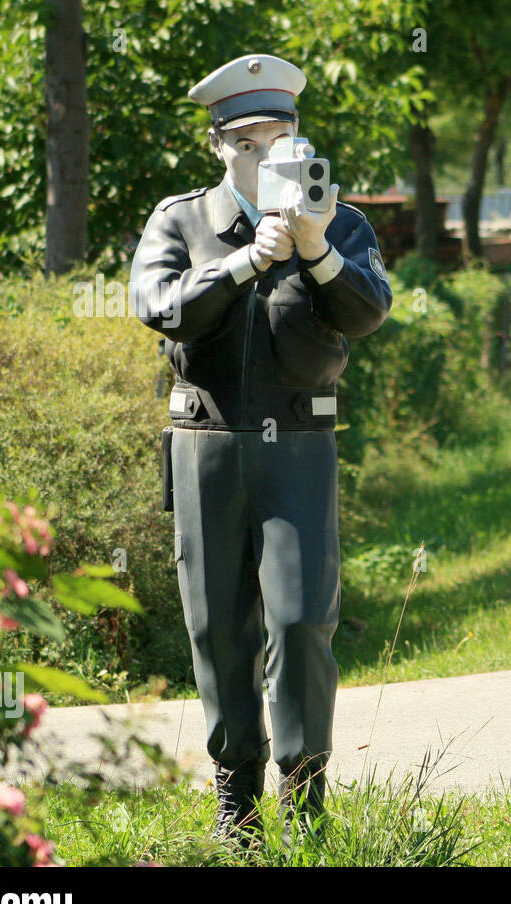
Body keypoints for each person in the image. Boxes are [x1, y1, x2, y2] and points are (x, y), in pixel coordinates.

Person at [128, 53, 392, 849]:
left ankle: (306, 800)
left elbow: (368, 311)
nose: (267, 153)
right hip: (206, 443)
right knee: (218, 629)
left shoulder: (337, 218)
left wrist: (314, 251)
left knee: (304, 617)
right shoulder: (181, 220)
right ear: (219, 146)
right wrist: (245, 261)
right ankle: (235, 804)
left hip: (300, 445)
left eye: (281, 136)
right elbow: (160, 307)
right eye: (248, 140)